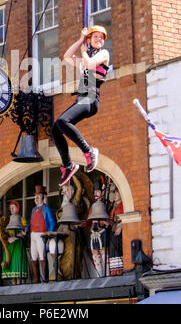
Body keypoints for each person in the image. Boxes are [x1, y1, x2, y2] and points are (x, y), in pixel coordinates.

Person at [51, 25, 109, 187]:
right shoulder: (85, 58)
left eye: (101, 38)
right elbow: (67, 56)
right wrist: (79, 40)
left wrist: (84, 50)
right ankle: (68, 165)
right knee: (55, 129)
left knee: (63, 122)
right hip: (81, 99)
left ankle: (89, 150)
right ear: (89, 40)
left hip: (90, 99)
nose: (99, 40)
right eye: (95, 37)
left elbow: (90, 65)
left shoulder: (103, 54)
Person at [28, 185, 56, 283]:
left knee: (42, 256)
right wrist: (26, 229)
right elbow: (31, 223)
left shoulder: (46, 209)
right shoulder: (33, 210)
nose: (36, 198)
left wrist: (48, 234)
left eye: (38, 196)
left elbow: (52, 222)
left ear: (43, 198)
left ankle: (45, 278)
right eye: (35, 197)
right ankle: (36, 279)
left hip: (41, 235)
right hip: (33, 235)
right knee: (33, 257)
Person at [1, 200, 28, 285]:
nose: (12, 209)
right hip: (10, 246)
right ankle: (13, 285)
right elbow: (5, 232)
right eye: (10, 208)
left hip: (18, 245)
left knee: (17, 264)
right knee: (11, 264)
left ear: (18, 208)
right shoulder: (8, 220)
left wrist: (15, 237)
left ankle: (19, 285)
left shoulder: (21, 219)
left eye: (14, 207)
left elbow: (25, 231)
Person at [108, 188, 124, 276]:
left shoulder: (123, 205)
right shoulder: (114, 207)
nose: (115, 195)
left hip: (119, 229)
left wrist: (121, 226)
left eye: (116, 193)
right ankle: (114, 270)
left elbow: (125, 218)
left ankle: (120, 269)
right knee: (113, 249)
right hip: (113, 229)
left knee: (118, 248)